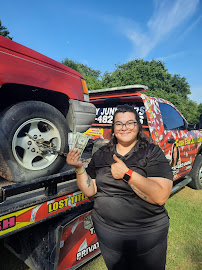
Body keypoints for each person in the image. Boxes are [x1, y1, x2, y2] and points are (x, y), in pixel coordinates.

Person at [66, 105, 173, 270]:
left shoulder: (151, 152)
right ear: (113, 129)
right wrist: (79, 168)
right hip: (108, 234)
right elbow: (90, 190)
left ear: (138, 127)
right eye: (119, 124)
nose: (124, 127)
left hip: (146, 234)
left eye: (130, 123)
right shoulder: (101, 154)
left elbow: (160, 196)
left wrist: (127, 173)